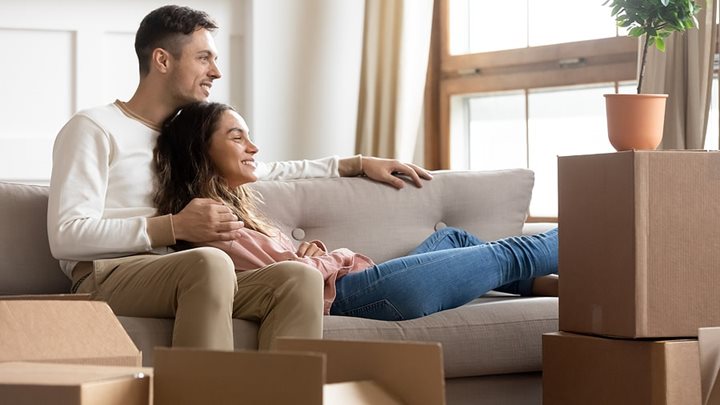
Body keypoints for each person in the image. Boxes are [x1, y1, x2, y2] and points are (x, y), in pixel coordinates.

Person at [47, 5, 431, 351]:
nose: (216, 71)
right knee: (211, 262)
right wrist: (174, 226)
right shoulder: (95, 127)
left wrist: (356, 162)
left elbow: (269, 170)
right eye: (204, 58)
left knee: (297, 277)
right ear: (162, 60)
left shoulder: (178, 139)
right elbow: (67, 235)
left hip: (185, 272)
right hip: (109, 276)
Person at [154, 101, 560, 321]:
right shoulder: (210, 222)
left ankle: (564, 291)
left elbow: (287, 267)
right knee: (511, 254)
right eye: (237, 137)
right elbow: (292, 281)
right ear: (200, 151)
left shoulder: (232, 212)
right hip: (357, 297)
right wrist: (330, 257)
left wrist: (310, 255)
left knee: (454, 239)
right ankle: (608, 228)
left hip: (360, 284)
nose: (254, 148)